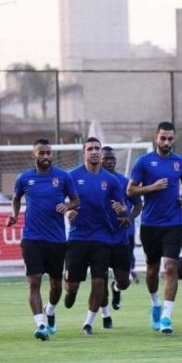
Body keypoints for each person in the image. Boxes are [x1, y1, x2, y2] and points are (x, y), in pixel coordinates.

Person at [7, 138, 79, 341]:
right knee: (34, 281)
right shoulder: (24, 179)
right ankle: (40, 324)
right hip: (32, 238)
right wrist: (14, 214)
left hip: (56, 240)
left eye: (48, 152)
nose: (46, 156)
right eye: (41, 153)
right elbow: (16, 198)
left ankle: (50, 310)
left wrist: (67, 206)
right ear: (34, 154)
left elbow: (76, 200)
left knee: (56, 285)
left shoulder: (63, 177)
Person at [127, 121, 182, 334]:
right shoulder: (144, 162)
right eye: (163, 138)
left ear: (174, 139)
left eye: (170, 138)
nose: (166, 142)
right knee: (152, 270)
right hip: (150, 224)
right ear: (156, 138)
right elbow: (130, 190)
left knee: (171, 267)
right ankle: (155, 303)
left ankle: (166, 316)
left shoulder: (180, 162)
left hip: (174, 223)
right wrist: (152, 187)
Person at [62, 138, 127, 335]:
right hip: (78, 237)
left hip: (102, 238)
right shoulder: (71, 176)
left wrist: (122, 210)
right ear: (84, 153)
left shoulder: (111, 180)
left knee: (99, 281)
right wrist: (67, 212)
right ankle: (71, 292)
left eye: (97, 148)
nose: (94, 152)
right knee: (72, 286)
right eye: (90, 148)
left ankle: (88, 322)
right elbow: (62, 202)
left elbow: (122, 206)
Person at [99, 146, 142, 328]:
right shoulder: (92, 180)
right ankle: (105, 316)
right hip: (98, 237)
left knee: (124, 281)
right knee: (99, 279)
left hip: (122, 237)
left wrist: (129, 218)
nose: (110, 162)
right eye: (106, 158)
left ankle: (117, 288)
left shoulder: (124, 182)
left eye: (112, 159)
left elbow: (138, 204)